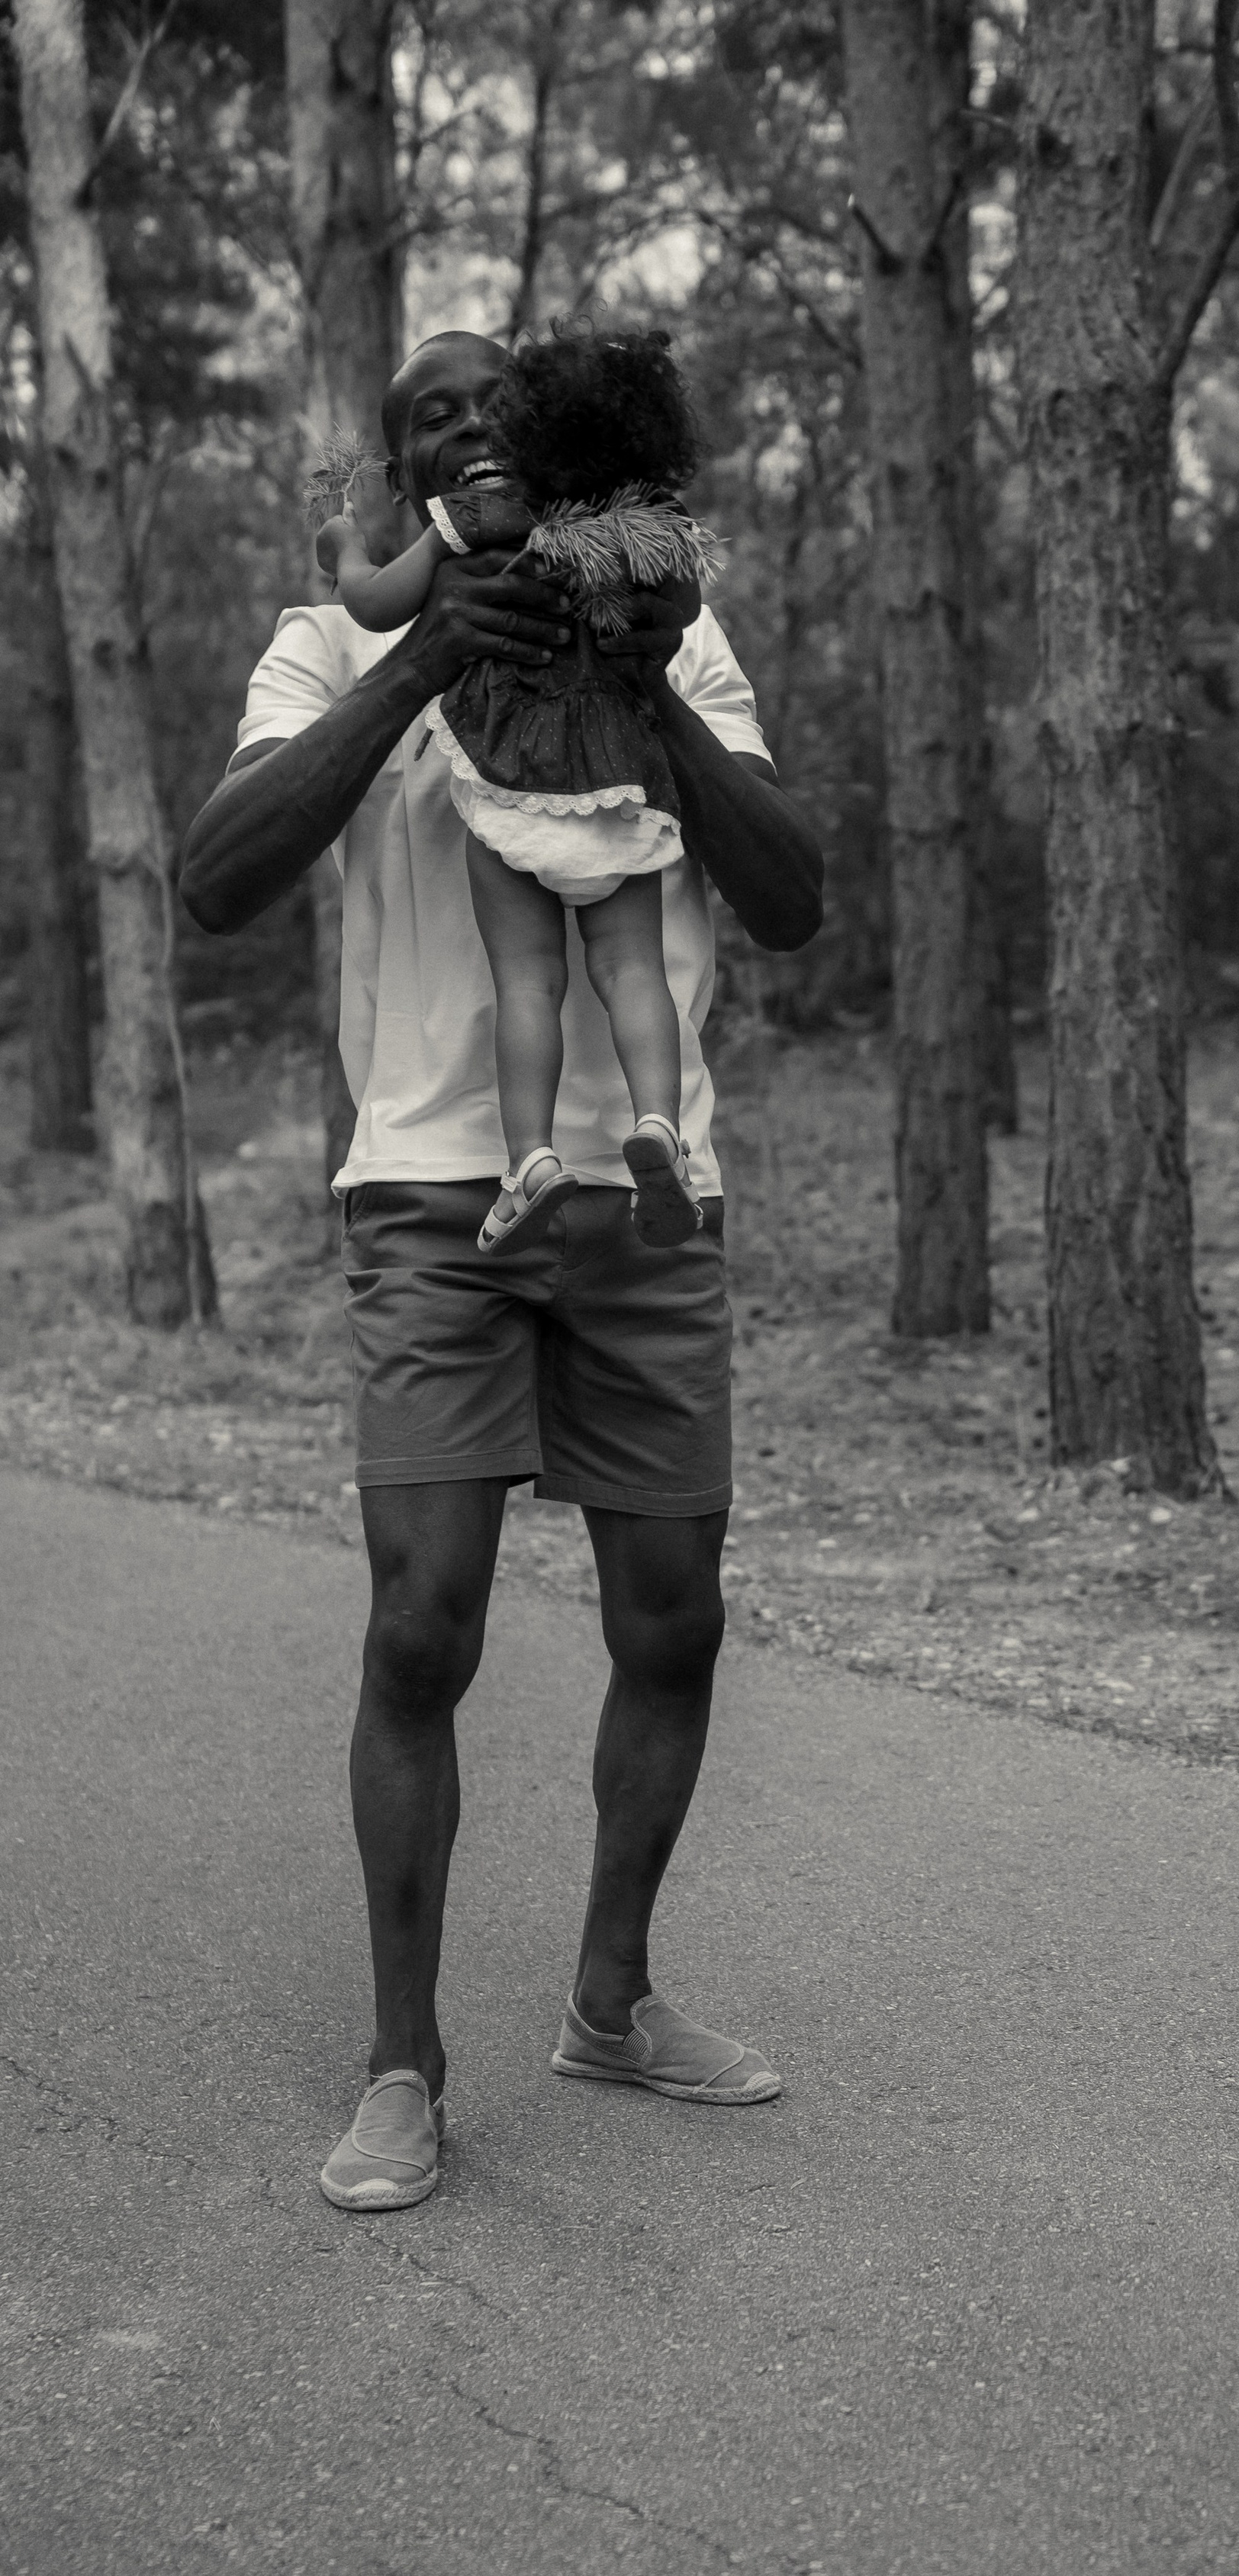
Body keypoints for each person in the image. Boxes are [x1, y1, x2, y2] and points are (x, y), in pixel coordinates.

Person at [179, 328, 823, 2213]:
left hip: (643, 1191)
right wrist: (423, 659)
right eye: (427, 420)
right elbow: (217, 877)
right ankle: (402, 2064)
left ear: (551, 451)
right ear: (398, 481)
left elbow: (788, 898)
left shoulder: (670, 620)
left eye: (495, 410)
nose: (467, 432)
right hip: (432, 1200)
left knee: (671, 1619)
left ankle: (609, 1999)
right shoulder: (324, 644)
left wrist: (662, 704)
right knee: (419, 1621)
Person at [307, 323, 720, 1255]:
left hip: (509, 785)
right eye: (440, 415)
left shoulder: (474, 520)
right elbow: (684, 602)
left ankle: (529, 1161)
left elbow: (372, 604)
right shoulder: (622, 520)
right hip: (620, 784)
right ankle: (661, 1129)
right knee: (633, 970)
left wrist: (344, 546)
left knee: (526, 979)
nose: (477, 429)